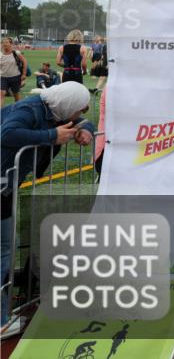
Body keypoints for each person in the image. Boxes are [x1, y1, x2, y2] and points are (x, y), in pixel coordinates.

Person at [2, 82, 95, 332]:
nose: (79, 113)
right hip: (2, 184)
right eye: (77, 109)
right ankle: (1, 321)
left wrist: (86, 128)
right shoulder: (30, 111)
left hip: (6, 186)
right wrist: (51, 136)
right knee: (3, 250)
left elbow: (83, 121)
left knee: (5, 249)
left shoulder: (51, 111)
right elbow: (7, 133)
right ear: (67, 106)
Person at [0, 38, 27, 103]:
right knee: (1, 94)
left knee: (16, 95)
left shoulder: (16, 53)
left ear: (11, 44)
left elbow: (24, 62)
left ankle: (17, 110)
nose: (4, 44)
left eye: (6, 42)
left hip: (15, 77)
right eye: (3, 42)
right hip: (3, 77)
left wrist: (24, 74)